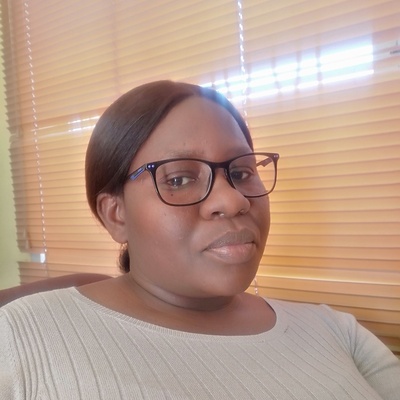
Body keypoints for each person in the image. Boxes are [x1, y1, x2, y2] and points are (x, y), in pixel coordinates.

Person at [0, 81, 399, 399]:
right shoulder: (19, 338)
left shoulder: (333, 331)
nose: (233, 200)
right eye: (178, 179)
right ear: (116, 214)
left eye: (242, 172)